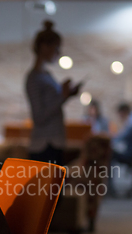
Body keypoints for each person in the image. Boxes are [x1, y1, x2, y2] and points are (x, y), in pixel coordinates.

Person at [25, 20, 82, 165]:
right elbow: (39, 117)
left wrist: (66, 95)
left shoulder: (45, 75)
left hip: (53, 142)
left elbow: (53, 104)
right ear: (44, 47)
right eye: (56, 48)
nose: (58, 52)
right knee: (48, 187)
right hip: (45, 144)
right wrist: (62, 96)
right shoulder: (34, 78)